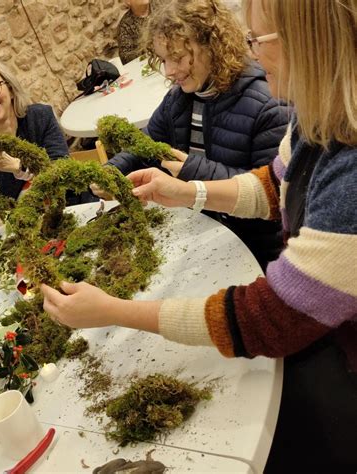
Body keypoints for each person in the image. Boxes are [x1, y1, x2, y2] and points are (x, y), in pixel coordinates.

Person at [42, 0, 357, 471]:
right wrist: (190, 191)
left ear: (309, 42)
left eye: (258, 41)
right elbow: (276, 184)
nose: (252, 53)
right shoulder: (319, 117)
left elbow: (268, 317)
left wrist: (112, 311)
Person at [106, 0, 290, 268]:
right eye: (163, 59)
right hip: (200, 231)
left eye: (178, 58)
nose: (168, 71)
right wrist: (112, 170)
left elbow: (272, 193)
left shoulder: (267, 105)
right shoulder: (179, 99)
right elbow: (145, 143)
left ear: (211, 46)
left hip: (253, 250)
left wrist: (193, 170)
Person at [0, 58, 93, 218]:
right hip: (29, 229)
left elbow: (63, 173)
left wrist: (19, 167)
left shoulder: (39, 117)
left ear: (10, 90)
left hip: (75, 210)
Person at [117, 0, 155, 65]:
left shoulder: (161, 7)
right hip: (148, 65)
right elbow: (126, 57)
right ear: (128, 1)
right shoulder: (125, 25)